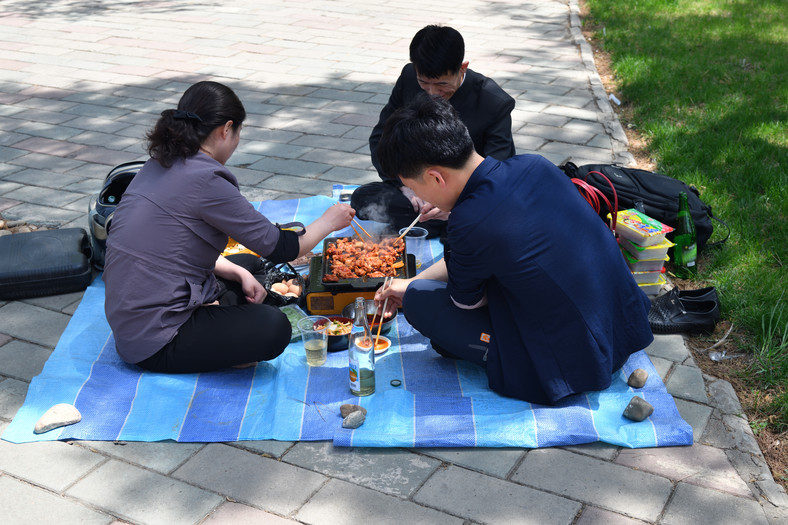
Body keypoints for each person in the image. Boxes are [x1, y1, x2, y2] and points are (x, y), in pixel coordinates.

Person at [374, 94, 654, 405]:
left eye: (413, 187)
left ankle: (504, 361)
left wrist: (412, 288)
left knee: (419, 301)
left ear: (435, 177)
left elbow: (466, 302)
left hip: (571, 362)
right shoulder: (534, 163)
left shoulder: (469, 222)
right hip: (621, 327)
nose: (417, 196)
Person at [103, 81, 355, 373]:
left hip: (132, 315)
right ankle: (216, 346)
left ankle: (218, 324)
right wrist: (329, 220)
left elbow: (172, 249)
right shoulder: (206, 181)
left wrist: (238, 271)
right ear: (226, 129)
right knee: (274, 327)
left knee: (250, 266)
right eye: (238, 133)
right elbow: (284, 248)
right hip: (155, 341)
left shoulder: (160, 162)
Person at [351, 25, 516, 239]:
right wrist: (407, 186)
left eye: (441, 85)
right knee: (363, 198)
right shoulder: (409, 77)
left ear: (462, 68)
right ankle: (446, 226)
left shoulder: (493, 102)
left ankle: (451, 221)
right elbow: (380, 138)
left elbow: (500, 170)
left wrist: (451, 205)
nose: (432, 93)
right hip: (417, 186)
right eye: (424, 83)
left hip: (463, 195)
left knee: (492, 210)